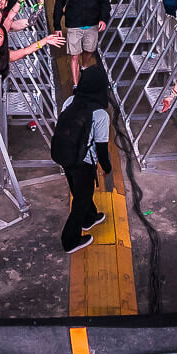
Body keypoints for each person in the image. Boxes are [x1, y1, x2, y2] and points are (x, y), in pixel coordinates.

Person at [53, 53, 112, 254]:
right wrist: (107, 168)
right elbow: (102, 147)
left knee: (80, 192)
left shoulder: (70, 101)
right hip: (84, 162)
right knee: (81, 199)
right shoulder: (100, 114)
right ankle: (70, 240)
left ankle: (90, 218)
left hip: (66, 156)